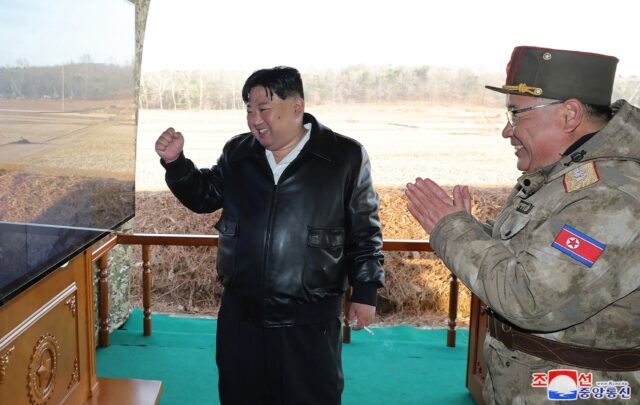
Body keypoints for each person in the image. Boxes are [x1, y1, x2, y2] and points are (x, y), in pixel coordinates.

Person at [406, 46, 640, 404]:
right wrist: (472, 230)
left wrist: (452, 230)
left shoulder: (612, 194)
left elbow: (529, 298)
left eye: (515, 114)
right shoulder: (565, 175)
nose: (506, 130)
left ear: (569, 115)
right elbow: (530, 257)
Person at [155, 66, 384, 405]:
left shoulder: (344, 156)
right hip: (241, 313)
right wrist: (176, 164)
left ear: (296, 107)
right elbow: (205, 196)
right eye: (249, 109)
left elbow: (364, 229)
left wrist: (365, 291)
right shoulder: (239, 153)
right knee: (240, 395)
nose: (255, 119)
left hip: (309, 317)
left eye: (263, 109)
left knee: (311, 397)